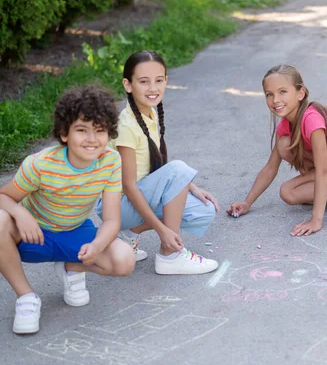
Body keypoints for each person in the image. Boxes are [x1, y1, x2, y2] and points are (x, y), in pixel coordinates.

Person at [0, 85, 135, 334]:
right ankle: (27, 297)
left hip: (74, 231)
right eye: (81, 130)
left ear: (109, 134)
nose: (92, 139)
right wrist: (21, 214)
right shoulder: (40, 164)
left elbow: (111, 220)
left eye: (100, 130)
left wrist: (96, 247)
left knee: (125, 259)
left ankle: (71, 266)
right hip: (33, 235)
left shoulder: (110, 161)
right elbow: (3, 197)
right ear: (64, 134)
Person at [96, 50, 218, 275]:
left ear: (166, 81)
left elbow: (158, 167)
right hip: (116, 205)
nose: (153, 88)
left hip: (138, 199)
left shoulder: (149, 113)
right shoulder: (127, 125)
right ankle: (170, 255)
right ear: (128, 84)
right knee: (179, 169)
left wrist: (191, 186)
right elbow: (129, 186)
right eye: (144, 82)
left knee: (205, 210)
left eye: (158, 81)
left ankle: (130, 233)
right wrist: (162, 230)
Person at [227, 64, 327, 236]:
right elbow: (270, 168)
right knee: (284, 155)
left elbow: (322, 171)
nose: (275, 100)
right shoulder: (286, 124)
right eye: (269, 94)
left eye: (282, 92)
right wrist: (247, 202)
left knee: (290, 192)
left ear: (300, 93)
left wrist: (316, 220)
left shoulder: (312, 120)